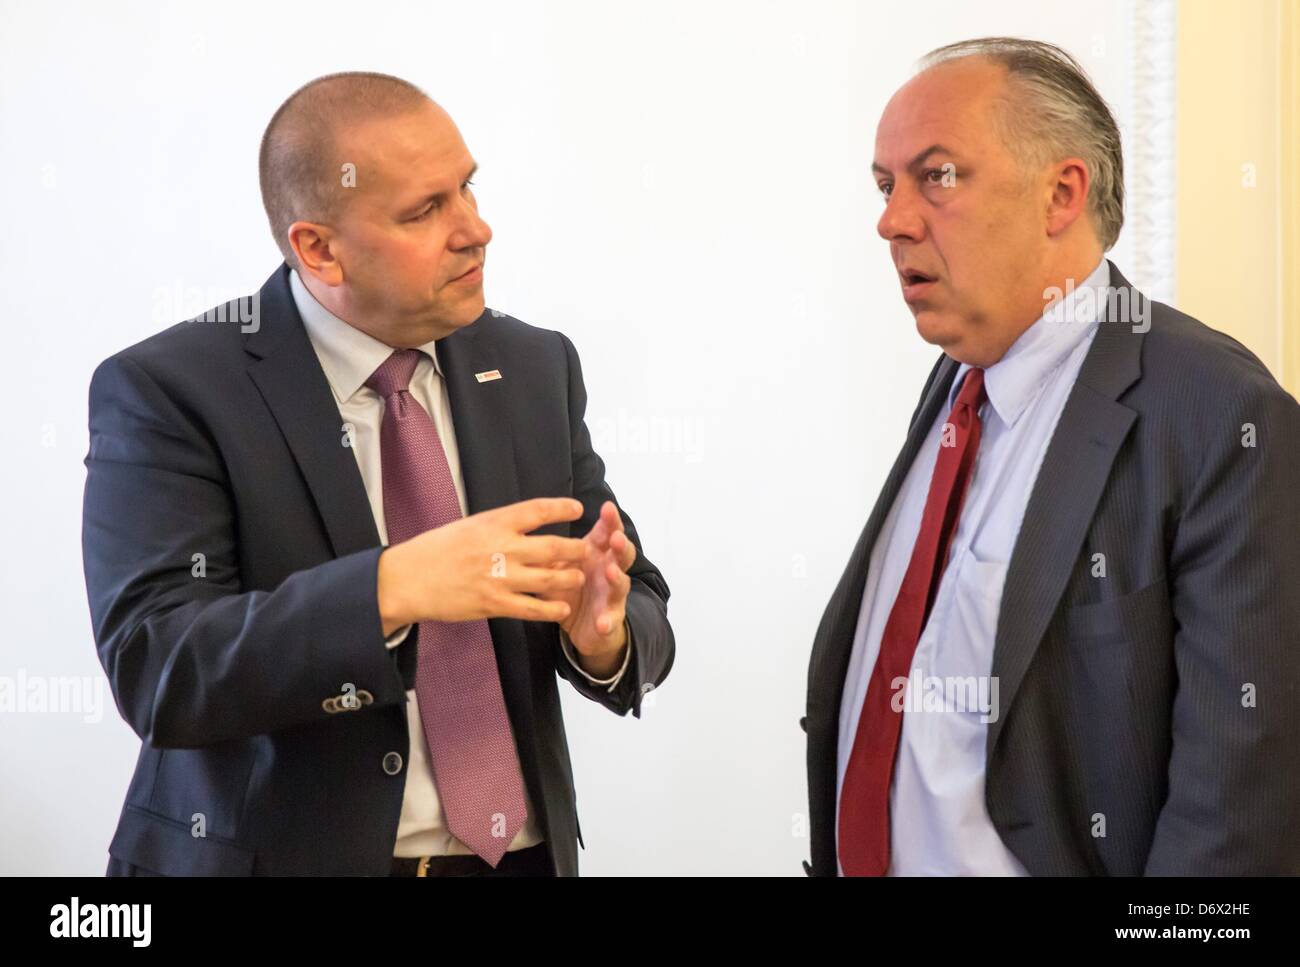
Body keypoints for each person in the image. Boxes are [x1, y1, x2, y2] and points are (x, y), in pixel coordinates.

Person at [82, 71, 674, 877]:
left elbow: (635, 597)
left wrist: (601, 638)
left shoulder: (534, 366)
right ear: (318, 247)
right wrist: (391, 588)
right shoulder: (172, 389)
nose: (477, 229)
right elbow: (160, 666)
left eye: (467, 188)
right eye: (426, 210)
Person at [804, 38, 1300, 876]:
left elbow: (1236, 823)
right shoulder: (957, 381)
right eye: (887, 185)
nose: (892, 219)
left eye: (937, 175)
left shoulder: (1219, 413)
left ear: (1061, 194)